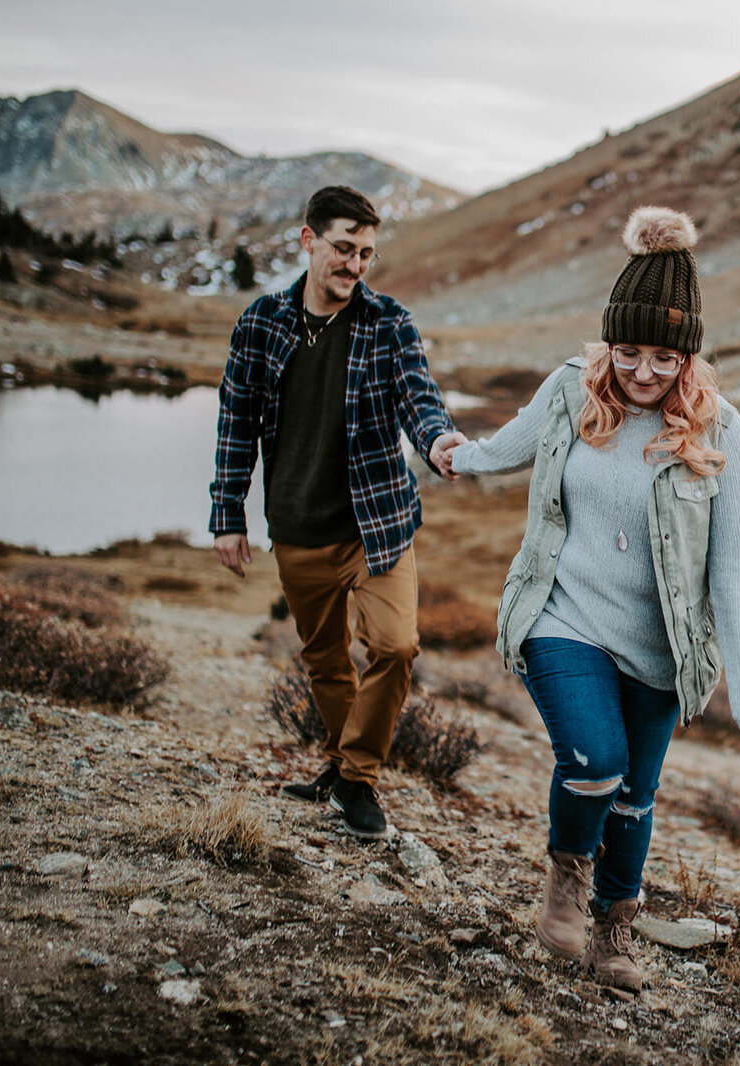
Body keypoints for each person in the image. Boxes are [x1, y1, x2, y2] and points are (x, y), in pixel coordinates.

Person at [438, 205, 740, 992]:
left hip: (660, 647)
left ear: (689, 354)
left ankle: (614, 931)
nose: (644, 371)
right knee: (593, 762)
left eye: (664, 355)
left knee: (635, 796)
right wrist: (462, 455)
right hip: (564, 617)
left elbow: (737, 563)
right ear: (608, 343)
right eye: (629, 351)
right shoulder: (570, 390)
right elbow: (509, 445)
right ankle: (566, 875)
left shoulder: (721, 431)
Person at [209, 185, 467, 841]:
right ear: (308, 241)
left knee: (396, 645)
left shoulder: (389, 324)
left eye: (367, 254)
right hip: (295, 528)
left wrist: (438, 440)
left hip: (376, 527)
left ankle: (355, 781)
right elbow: (236, 422)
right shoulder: (260, 323)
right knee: (324, 661)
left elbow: (418, 397)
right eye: (344, 249)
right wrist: (228, 515)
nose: (355, 265)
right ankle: (344, 767)